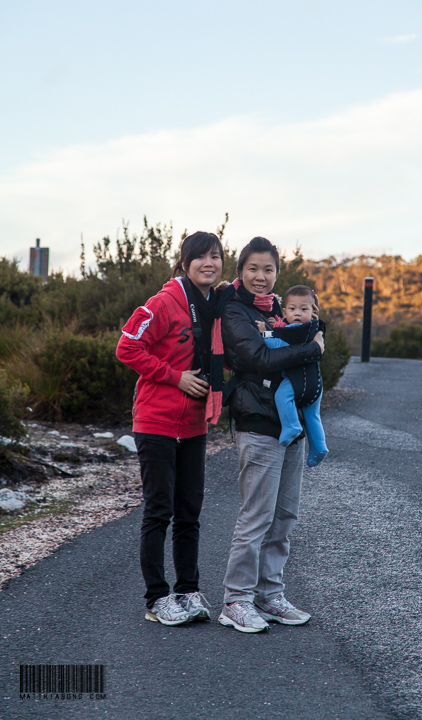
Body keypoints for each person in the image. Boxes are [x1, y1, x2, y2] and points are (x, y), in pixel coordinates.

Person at [217, 237, 325, 633]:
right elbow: (257, 357)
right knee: (256, 516)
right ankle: (236, 600)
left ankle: (270, 594)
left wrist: (310, 340)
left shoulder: (280, 308)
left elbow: (306, 332)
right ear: (240, 271)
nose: (261, 277)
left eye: (268, 270)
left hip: (291, 425)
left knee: (284, 516)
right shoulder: (234, 310)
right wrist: (312, 348)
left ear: (277, 273)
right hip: (259, 424)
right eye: (253, 269)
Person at [116, 231, 224, 626]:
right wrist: (174, 376)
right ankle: (156, 599)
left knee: (189, 512)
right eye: (200, 257)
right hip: (157, 421)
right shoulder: (164, 302)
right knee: (159, 511)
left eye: (215, 257)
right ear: (184, 262)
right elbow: (127, 347)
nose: (208, 264)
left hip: (194, 425)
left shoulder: (215, 303)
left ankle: (188, 590)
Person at [256, 284, 328, 467]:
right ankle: (319, 446)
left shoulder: (300, 329)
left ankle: (291, 426)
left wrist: (266, 333)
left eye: (304, 309)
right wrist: (276, 325)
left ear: (313, 311)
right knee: (313, 416)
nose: (297, 313)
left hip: (295, 381)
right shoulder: (312, 328)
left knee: (282, 396)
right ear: (285, 311)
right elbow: (286, 331)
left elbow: (279, 345)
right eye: (292, 309)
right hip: (316, 383)